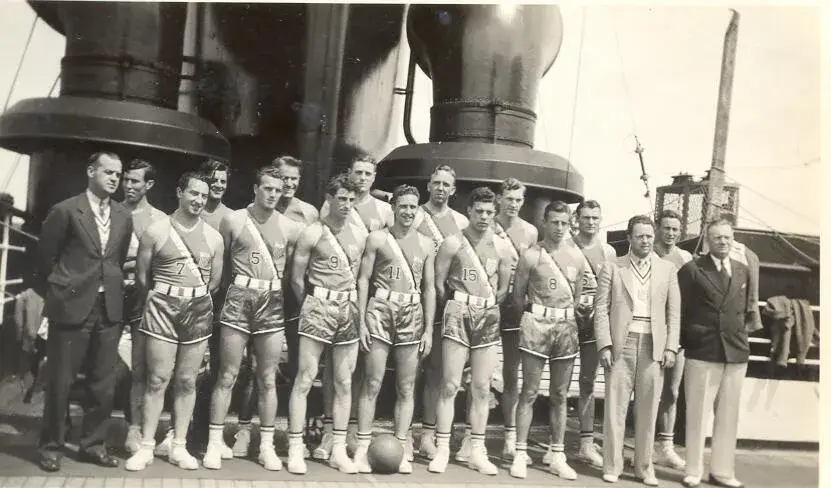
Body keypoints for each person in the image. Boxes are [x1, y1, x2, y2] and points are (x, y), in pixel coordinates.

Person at [35, 151, 133, 472]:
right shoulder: (65, 210)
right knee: (61, 381)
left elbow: (114, 259)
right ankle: (51, 446)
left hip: (108, 309)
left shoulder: (123, 215)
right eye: (108, 172)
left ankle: (93, 445)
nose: (114, 179)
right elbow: (45, 259)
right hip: (71, 306)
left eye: (118, 174)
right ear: (91, 171)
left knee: (102, 383)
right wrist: (64, 290)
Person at [202, 165, 304, 471]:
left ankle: (267, 446)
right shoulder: (233, 220)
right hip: (239, 297)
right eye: (268, 188)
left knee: (267, 376)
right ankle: (214, 441)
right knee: (228, 373)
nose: (274, 194)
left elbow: (295, 272)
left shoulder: (290, 227)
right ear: (256, 189)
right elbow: (223, 266)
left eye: (278, 189)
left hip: (271, 300)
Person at [125, 172, 224, 471]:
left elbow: (215, 282)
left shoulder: (214, 237)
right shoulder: (156, 231)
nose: (198, 201)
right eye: (193, 194)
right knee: (157, 379)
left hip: (196, 307)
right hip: (162, 306)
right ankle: (145, 445)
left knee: (186, 380)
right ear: (180, 192)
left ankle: (179, 445)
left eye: (204, 197)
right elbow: (143, 278)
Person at [231, 155, 319, 457]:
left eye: (294, 179)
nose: (289, 184)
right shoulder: (251, 214)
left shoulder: (308, 213)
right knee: (253, 367)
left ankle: (300, 436)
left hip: (293, 302)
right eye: (285, 178)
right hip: (257, 297)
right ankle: (244, 429)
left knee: (299, 368)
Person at [427, 187, 513, 475]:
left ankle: (477, 449)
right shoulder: (453, 243)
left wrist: (483, 305)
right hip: (458, 311)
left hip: (487, 314)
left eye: (490, 212)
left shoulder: (502, 248)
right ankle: (441, 448)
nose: (484, 217)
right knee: (450, 384)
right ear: (469, 211)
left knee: (481, 387)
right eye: (479, 211)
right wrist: (456, 305)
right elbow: (439, 284)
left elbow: (502, 290)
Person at [353, 185, 436, 474]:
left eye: (413, 207)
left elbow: (429, 288)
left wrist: (427, 329)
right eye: (403, 206)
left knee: (406, 385)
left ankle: (401, 446)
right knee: (372, 382)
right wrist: (362, 319)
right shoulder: (377, 239)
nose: (408, 212)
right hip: (380, 310)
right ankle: (363, 447)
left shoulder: (426, 244)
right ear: (394, 208)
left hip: (411, 312)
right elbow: (363, 279)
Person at [287, 174, 366, 474]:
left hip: (347, 308)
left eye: (351, 199)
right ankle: (296, 447)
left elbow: (358, 277)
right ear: (330, 198)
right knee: (305, 378)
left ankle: (337, 449)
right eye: (341, 199)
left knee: (344, 382)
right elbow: (296, 278)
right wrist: (310, 303)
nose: (346, 205)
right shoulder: (313, 232)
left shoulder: (359, 235)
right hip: (318, 304)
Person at [594, 215, 681, 486]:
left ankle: (644, 468)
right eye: (640, 236)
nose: (645, 240)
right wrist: (605, 344)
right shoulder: (613, 267)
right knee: (615, 409)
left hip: (653, 346)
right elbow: (600, 310)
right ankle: (613, 465)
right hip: (622, 344)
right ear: (629, 238)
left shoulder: (668, 270)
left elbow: (674, 314)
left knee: (648, 410)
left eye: (649, 235)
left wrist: (670, 347)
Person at [316, 155, 393, 459]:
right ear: (350, 174)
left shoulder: (384, 210)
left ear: (374, 177)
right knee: (334, 369)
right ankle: (327, 431)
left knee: (360, 370)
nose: (362, 178)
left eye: (367, 173)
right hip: (341, 293)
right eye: (357, 172)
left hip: (373, 297)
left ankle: (349, 433)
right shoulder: (335, 205)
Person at [509, 201, 585, 480]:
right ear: (544, 222)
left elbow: (575, 298)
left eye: (564, 223)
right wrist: (534, 316)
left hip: (565, 325)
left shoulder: (576, 257)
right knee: (529, 391)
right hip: (536, 323)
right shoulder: (531, 255)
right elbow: (518, 297)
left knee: (561, 394)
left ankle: (557, 453)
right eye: (554, 222)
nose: (559, 228)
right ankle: (519, 451)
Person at [678, 217, 754, 488]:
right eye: (717, 237)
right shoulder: (692, 270)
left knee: (729, 414)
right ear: (708, 241)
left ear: (733, 239)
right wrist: (689, 339)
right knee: (697, 413)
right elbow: (680, 311)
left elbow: (746, 309)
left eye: (727, 237)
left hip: (734, 349)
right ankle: (694, 470)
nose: (723, 242)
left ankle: (722, 471)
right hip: (703, 349)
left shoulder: (743, 270)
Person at [552, 199, 616, 467]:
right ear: (576, 219)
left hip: (593, 321)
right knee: (560, 384)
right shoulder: (564, 247)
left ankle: (586, 444)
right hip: (567, 318)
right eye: (586, 217)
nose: (591, 222)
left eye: (595, 217)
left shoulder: (609, 251)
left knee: (588, 381)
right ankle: (556, 445)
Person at [415, 164, 469, 460]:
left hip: (445, 303)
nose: (440, 188)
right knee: (407, 372)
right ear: (428, 185)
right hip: (414, 299)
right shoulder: (414, 214)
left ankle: (427, 435)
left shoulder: (461, 221)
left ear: (453, 189)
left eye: (446, 184)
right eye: (435, 182)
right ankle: (398, 434)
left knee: (437, 371)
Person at [120, 159, 168, 455]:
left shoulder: (158, 220)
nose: (128, 185)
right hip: (109, 293)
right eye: (126, 179)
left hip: (140, 295)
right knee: (99, 364)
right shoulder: (110, 211)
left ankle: (134, 428)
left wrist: (122, 264)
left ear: (149, 185)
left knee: (141, 366)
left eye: (135, 181)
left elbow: (154, 265)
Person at [492, 177, 538, 460]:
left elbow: (531, 271)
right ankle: (470, 438)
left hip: (514, 306)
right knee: (477, 372)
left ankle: (510, 437)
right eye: (509, 199)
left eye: (518, 200)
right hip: (487, 302)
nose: (513, 205)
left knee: (511, 372)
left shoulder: (530, 232)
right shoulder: (487, 222)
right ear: (500, 199)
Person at [652, 209, 693, 470]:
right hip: (649, 328)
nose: (671, 233)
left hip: (676, 330)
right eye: (666, 228)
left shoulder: (686, 258)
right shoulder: (647, 250)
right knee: (646, 391)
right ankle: (640, 445)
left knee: (672, 390)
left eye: (675, 229)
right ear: (658, 228)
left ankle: (666, 447)